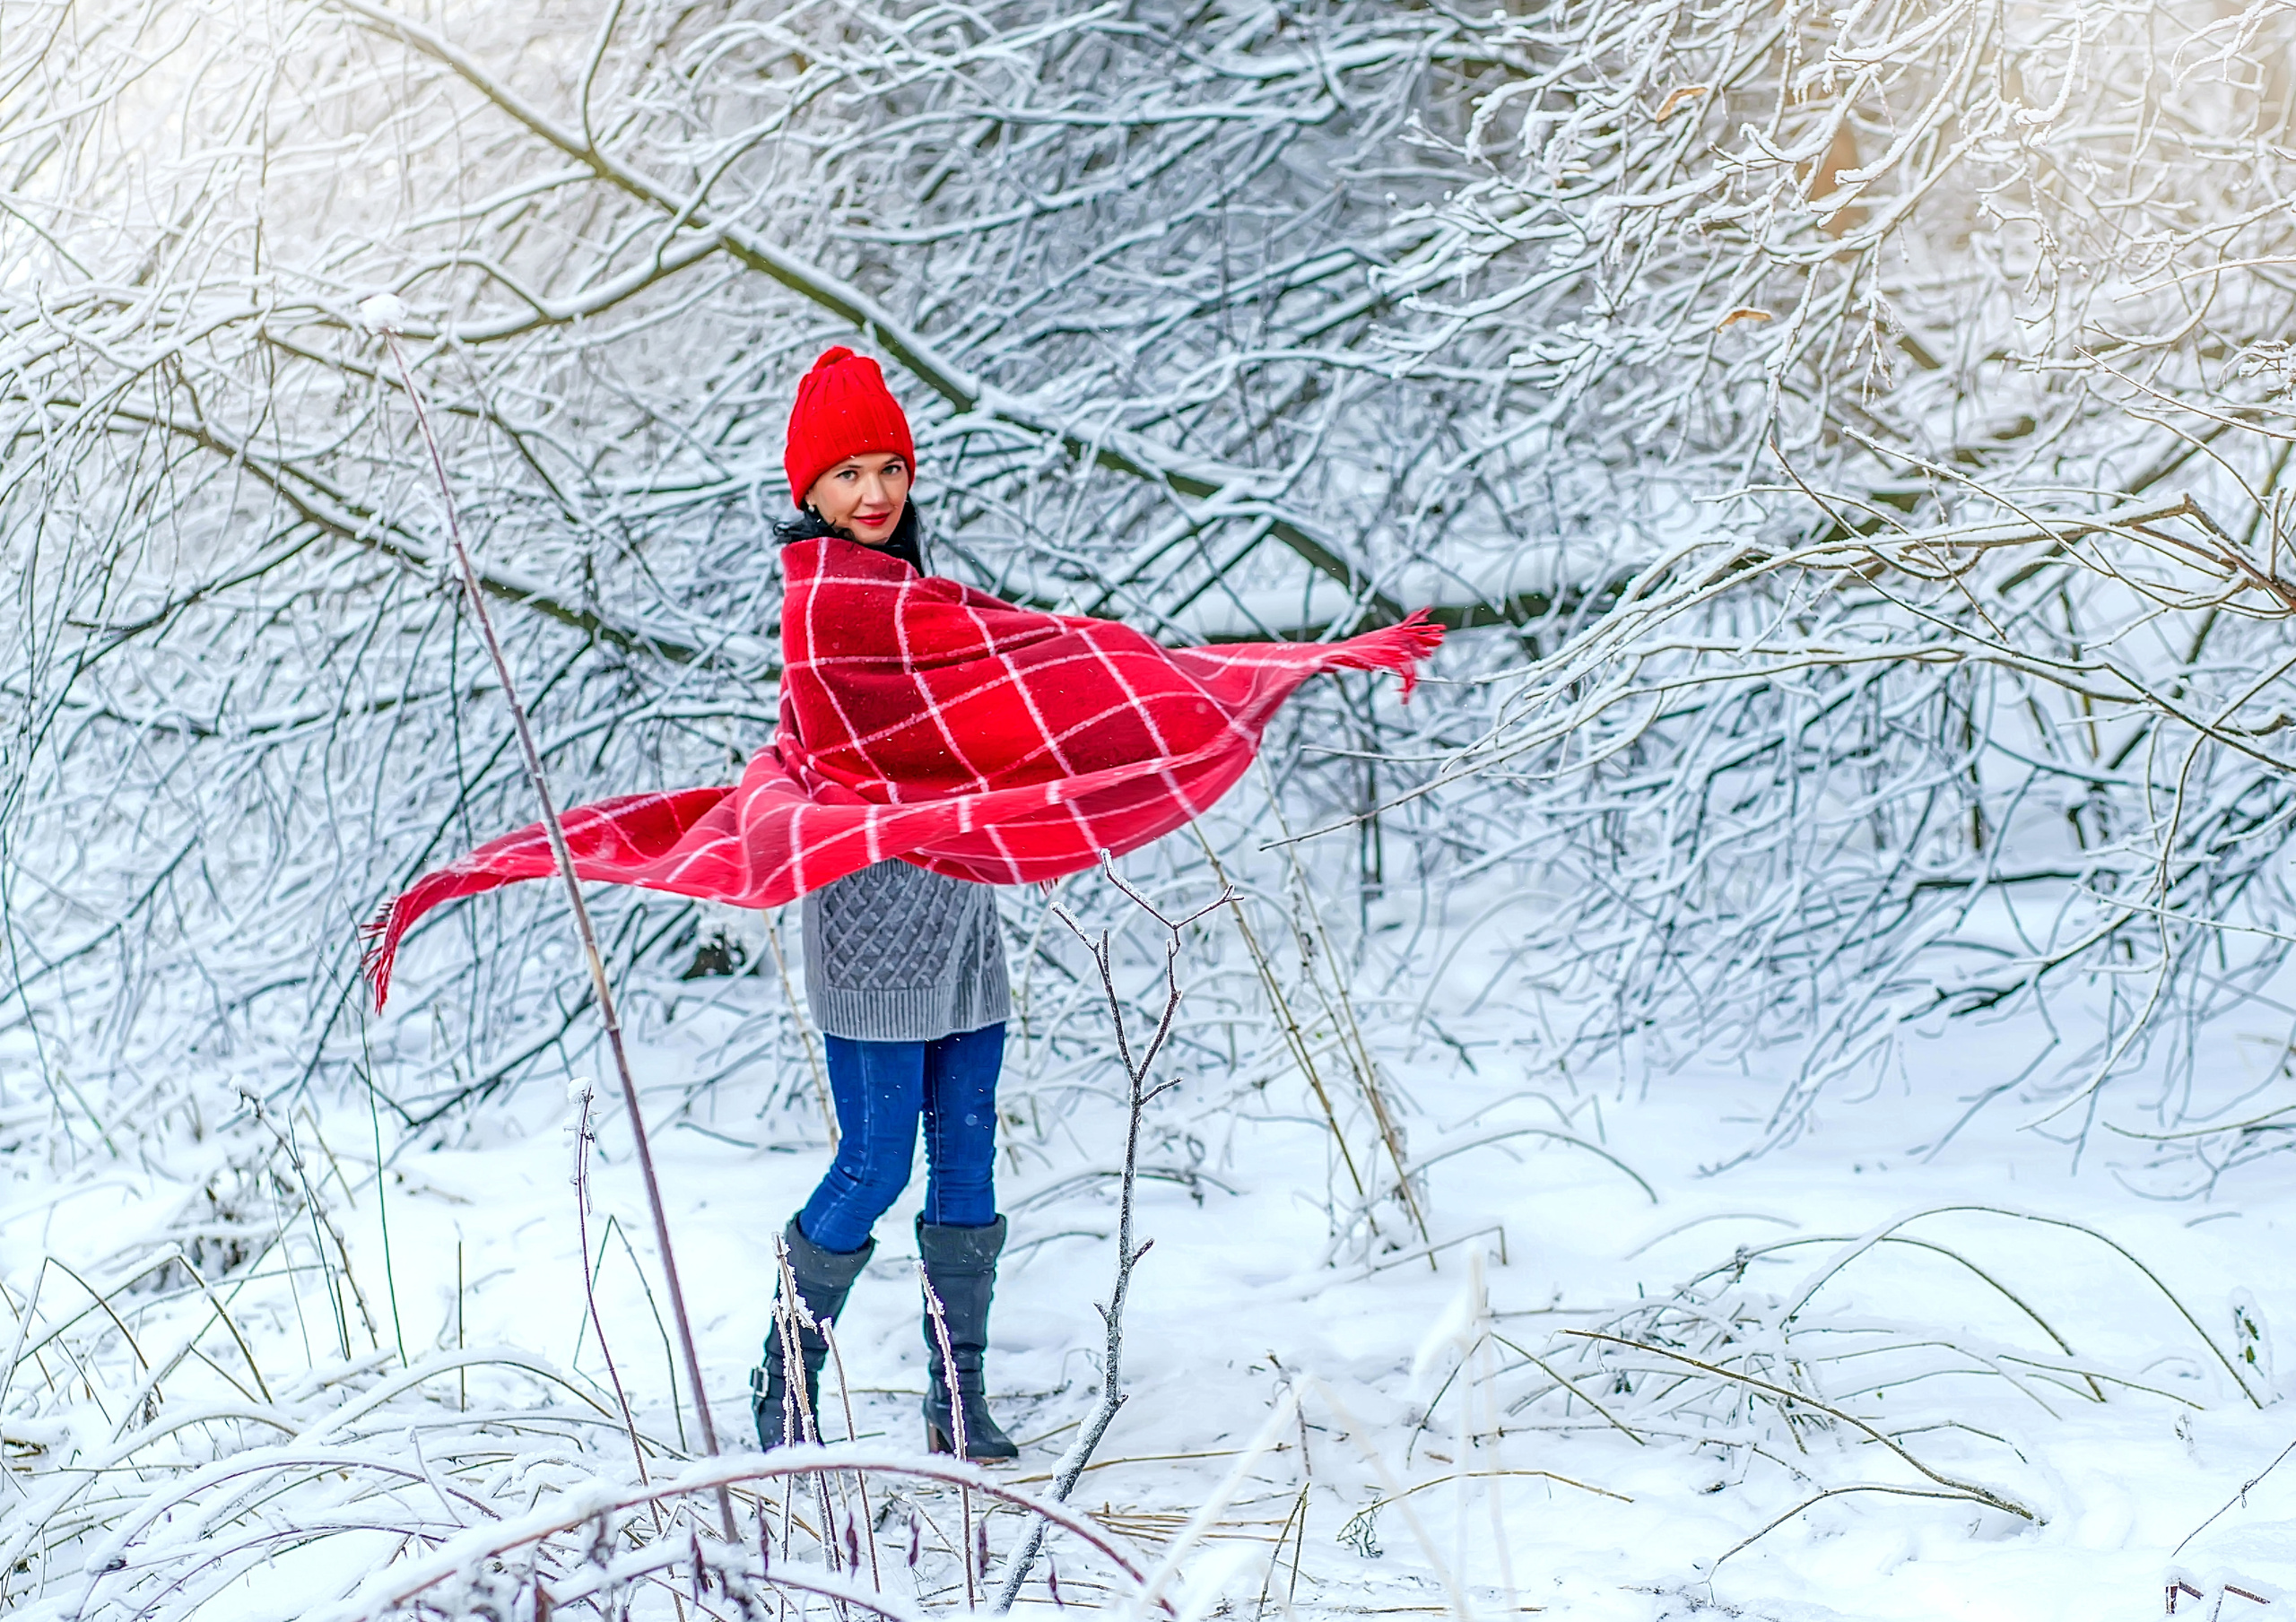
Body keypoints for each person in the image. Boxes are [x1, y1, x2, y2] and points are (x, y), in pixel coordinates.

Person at [748, 347, 1021, 1462]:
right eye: (849, 473)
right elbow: (850, 746)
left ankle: (957, 1403)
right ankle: (788, 1370)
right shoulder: (820, 609)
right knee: (874, 1162)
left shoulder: (930, 597)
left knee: (967, 1150)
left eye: (890, 468)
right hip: (868, 919)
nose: (874, 493)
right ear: (807, 491)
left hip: (958, 907)